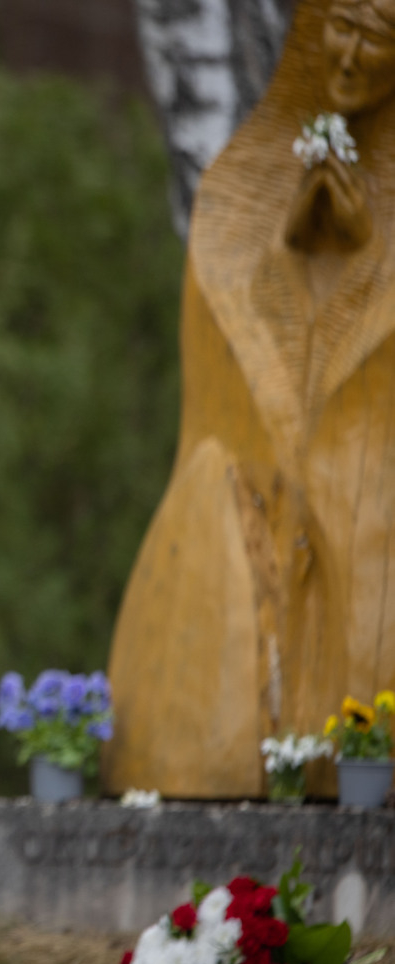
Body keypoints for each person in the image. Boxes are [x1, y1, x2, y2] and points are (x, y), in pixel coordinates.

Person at [104, 0, 395, 799]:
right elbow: (229, 341)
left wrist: (368, 251)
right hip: (257, 491)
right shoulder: (244, 178)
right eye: (342, 29)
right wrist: (294, 241)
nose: (352, 56)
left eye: (378, 41)